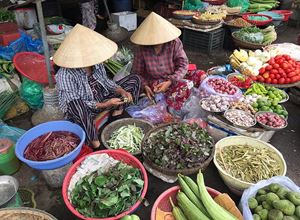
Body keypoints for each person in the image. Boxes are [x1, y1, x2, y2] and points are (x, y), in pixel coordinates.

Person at [53, 24, 141, 149]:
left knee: (134, 79)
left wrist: (121, 91)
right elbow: (77, 102)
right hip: (84, 108)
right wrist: (105, 105)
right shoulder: (65, 74)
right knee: (75, 104)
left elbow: (105, 81)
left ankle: (117, 113)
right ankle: (96, 143)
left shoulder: (96, 62)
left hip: (102, 97)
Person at [131, 12, 206, 111]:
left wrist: (170, 81)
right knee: (182, 87)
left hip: (174, 77)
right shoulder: (141, 49)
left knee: (201, 75)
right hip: (155, 82)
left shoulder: (174, 43)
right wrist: (144, 86)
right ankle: (171, 107)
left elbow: (183, 65)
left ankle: (171, 99)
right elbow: (137, 73)